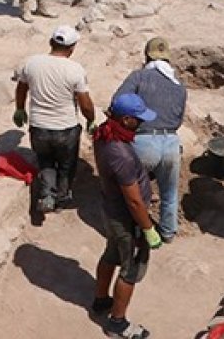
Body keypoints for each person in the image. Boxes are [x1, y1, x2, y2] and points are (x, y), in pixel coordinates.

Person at [91, 93, 162, 339]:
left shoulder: (104, 132)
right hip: (126, 218)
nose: (142, 123)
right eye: (139, 119)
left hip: (110, 211)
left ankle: (101, 300)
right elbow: (133, 199)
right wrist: (148, 228)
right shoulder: (120, 153)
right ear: (127, 120)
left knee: (111, 254)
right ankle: (117, 324)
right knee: (130, 269)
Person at [13, 25, 95, 215]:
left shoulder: (32, 63)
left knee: (46, 161)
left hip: (39, 127)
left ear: (51, 42)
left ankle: (47, 195)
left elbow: (21, 88)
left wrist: (19, 109)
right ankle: (62, 197)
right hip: (66, 129)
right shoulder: (75, 70)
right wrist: (91, 119)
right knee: (66, 165)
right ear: (72, 48)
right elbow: (85, 104)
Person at [115, 37, 187, 243]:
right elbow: (179, 117)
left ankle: (136, 229)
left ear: (146, 56)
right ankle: (168, 232)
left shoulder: (139, 77)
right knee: (169, 192)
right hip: (171, 142)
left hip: (143, 141)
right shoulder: (179, 85)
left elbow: (119, 101)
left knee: (135, 191)